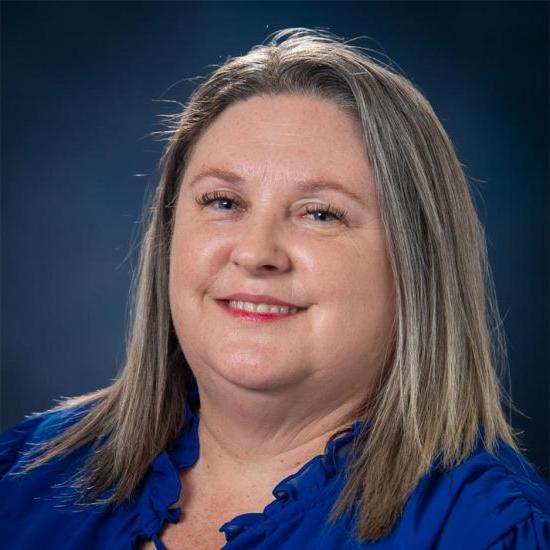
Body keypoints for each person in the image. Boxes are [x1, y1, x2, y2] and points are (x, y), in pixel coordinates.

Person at [1, 27, 549, 550]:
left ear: (415, 263)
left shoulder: (489, 532)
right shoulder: (24, 475)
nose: (257, 253)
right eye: (223, 202)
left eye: (320, 213)